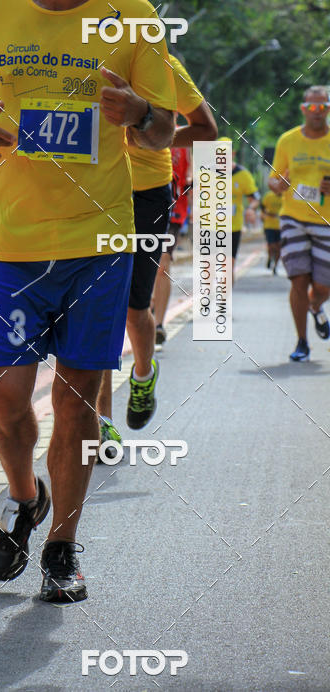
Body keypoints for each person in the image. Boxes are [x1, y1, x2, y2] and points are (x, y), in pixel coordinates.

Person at [0, 0, 176, 603]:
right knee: (6, 398)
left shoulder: (133, 16)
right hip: (12, 243)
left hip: (98, 244)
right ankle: (24, 495)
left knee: (76, 404)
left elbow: (166, 128)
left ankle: (62, 550)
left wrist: (138, 113)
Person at [96, 54, 216, 454]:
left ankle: (143, 375)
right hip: (89, 193)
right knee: (94, 308)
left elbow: (206, 130)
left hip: (145, 194)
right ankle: (101, 421)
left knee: (133, 308)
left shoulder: (164, 65)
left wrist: (155, 132)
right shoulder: (74, 55)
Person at [268, 85, 330, 362]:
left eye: (322, 107)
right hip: (292, 217)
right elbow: (273, 180)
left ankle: (315, 306)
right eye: (311, 107)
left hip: (326, 221)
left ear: (328, 109)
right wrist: (278, 184)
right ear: (303, 109)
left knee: (323, 286)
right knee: (298, 278)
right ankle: (302, 342)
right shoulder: (288, 141)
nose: (316, 112)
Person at [152, 143, 191, 346]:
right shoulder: (137, 126)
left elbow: (193, 173)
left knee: (163, 263)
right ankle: (148, 301)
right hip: (141, 206)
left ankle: (158, 325)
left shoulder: (183, 139)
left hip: (173, 211)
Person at [219, 138, 259, 283]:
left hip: (232, 227)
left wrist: (251, 209)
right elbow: (194, 193)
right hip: (208, 226)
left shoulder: (243, 175)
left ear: (232, 154)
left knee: (228, 266)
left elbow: (254, 198)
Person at [260, 188, 282, 273]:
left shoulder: (286, 197)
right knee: (271, 246)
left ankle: (275, 266)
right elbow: (262, 207)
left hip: (281, 227)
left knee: (279, 248)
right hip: (269, 225)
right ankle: (270, 257)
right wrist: (266, 214)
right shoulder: (269, 196)